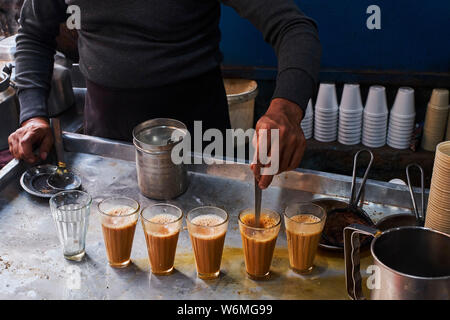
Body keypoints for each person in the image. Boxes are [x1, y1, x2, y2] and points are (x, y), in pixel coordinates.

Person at [8, 0, 321, 189]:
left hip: (200, 142)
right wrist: (34, 114)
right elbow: (35, 33)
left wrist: (286, 109)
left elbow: (292, 26)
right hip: (108, 142)